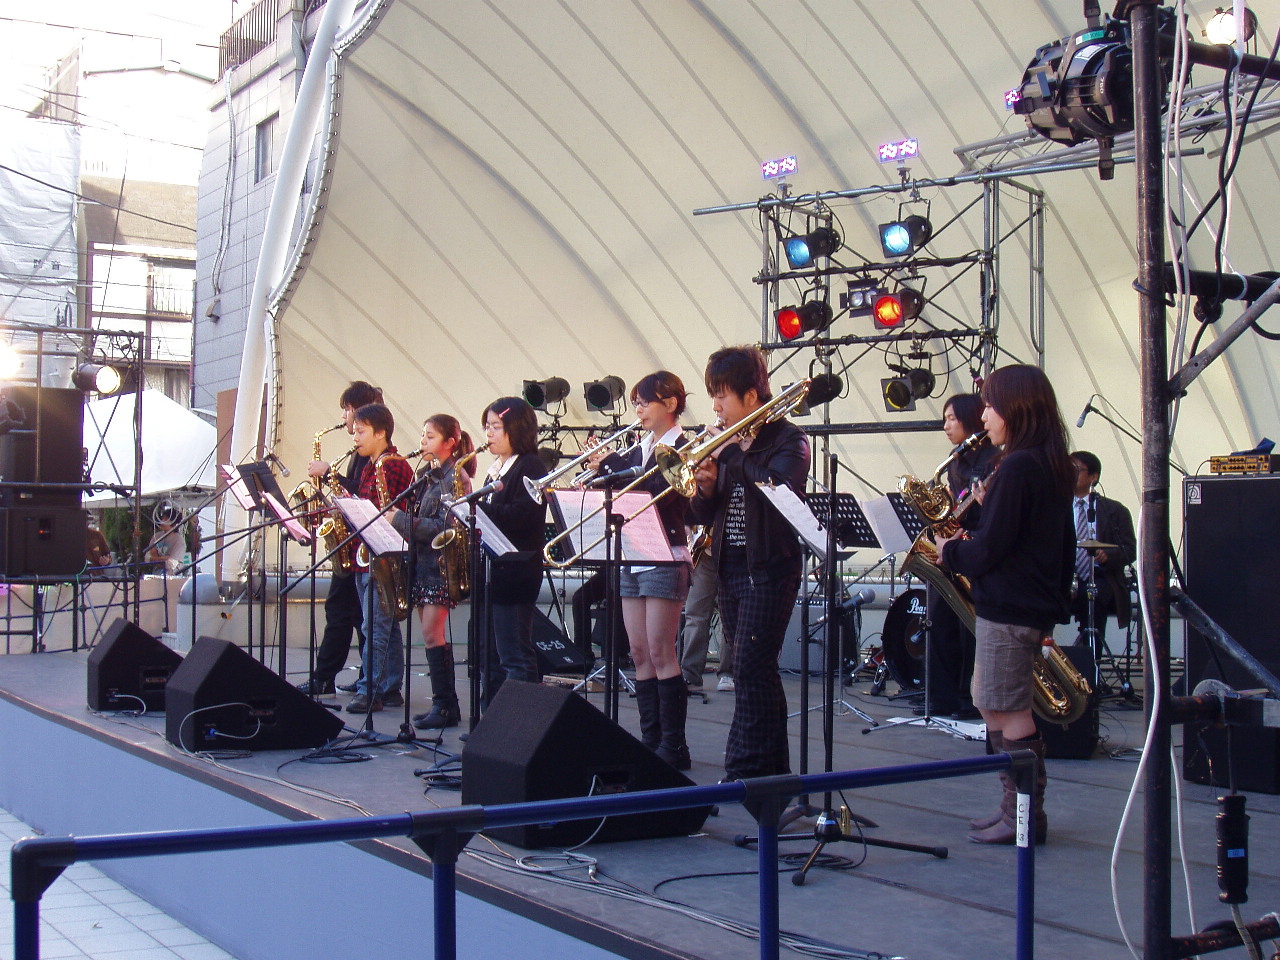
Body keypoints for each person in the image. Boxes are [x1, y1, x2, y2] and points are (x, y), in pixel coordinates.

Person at [936, 364, 1075, 845]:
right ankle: (1012, 808)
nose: (984, 416)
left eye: (991, 406)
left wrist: (949, 550)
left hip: (1010, 605)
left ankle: (1024, 817)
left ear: (1015, 408)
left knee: (1007, 708)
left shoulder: (1018, 466)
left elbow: (991, 549)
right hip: (1021, 604)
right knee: (991, 701)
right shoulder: (1044, 462)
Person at [690, 346, 810, 781]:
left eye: (722, 394)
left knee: (749, 667)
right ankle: (771, 770)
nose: (716, 406)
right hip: (730, 567)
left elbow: (775, 488)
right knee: (756, 672)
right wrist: (705, 488)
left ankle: (744, 767)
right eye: (713, 395)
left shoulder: (789, 440)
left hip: (770, 569)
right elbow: (703, 515)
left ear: (751, 395)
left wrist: (731, 456)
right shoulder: (726, 444)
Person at [595, 371, 693, 769]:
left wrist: (614, 463)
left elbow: (660, 495)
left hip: (666, 552)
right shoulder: (639, 449)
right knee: (638, 651)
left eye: (644, 402)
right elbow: (621, 494)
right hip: (632, 552)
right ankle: (650, 738)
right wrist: (603, 472)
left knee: (660, 649)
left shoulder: (683, 447)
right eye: (635, 402)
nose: (638, 410)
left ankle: (674, 745)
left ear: (670, 404)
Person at [390, 415, 475, 729]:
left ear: (450, 443)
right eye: (422, 435)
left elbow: (444, 527)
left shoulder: (456, 478)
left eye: (430, 436)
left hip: (440, 568)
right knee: (429, 636)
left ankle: (445, 706)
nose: (422, 442)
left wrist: (399, 520)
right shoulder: (428, 475)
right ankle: (444, 704)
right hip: (422, 565)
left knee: (432, 634)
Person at [297, 381, 380, 696]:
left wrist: (330, 473)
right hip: (352, 542)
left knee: (342, 612)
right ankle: (364, 678)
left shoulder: (371, 453)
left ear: (358, 409)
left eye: (346, 410)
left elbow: (363, 493)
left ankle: (326, 678)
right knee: (355, 615)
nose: (344, 418)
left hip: (360, 545)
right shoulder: (360, 451)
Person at [919, 393, 999, 718]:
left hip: (976, 548)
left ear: (971, 418)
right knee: (939, 622)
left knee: (970, 629)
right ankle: (941, 696)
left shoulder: (995, 460)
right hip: (953, 547)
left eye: (952, 418)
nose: (946, 426)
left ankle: (969, 698)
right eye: (944, 419)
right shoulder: (956, 459)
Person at [476, 397, 546, 707]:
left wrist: (477, 510)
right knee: (490, 655)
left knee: (514, 654)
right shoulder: (496, 469)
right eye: (487, 426)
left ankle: (519, 722)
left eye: (495, 426)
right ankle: (491, 718)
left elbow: (524, 514)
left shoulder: (530, 465)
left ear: (515, 429)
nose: (488, 433)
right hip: (493, 571)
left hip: (516, 572)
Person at [345, 403, 414, 714]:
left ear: (381, 433)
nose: (355, 437)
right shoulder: (370, 466)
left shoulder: (392, 466)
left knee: (374, 627)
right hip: (367, 555)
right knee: (385, 626)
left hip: (383, 556)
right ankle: (390, 687)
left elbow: (389, 514)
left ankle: (370, 690)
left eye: (361, 432)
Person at [1068, 450, 1136, 658]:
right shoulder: (1056, 506)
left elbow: (1130, 549)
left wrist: (1109, 557)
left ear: (1093, 477)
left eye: (1076, 470)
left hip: (1101, 576)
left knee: (1094, 596)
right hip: (1065, 576)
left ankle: (1091, 660)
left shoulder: (1114, 510)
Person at [678, 540, 732, 693]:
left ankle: (728, 673)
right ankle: (690, 675)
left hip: (733, 554)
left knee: (730, 615)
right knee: (695, 615)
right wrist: (689, 528)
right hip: (704, 555)